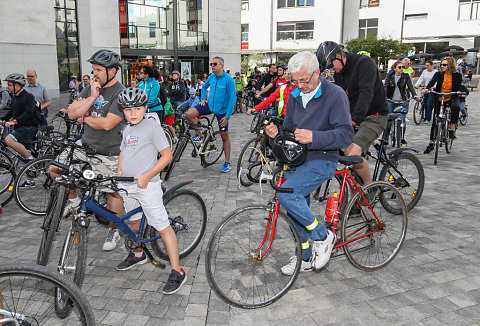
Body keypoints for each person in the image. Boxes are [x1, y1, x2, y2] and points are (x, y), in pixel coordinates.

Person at [264, 51, 354, 275]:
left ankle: (323, 236)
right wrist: (276, 133)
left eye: (303, 80)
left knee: (286, 194)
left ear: (318, 73)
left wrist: (315, 137)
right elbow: (291, 128)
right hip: (298, 159)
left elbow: (345, 135)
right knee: (296, 210)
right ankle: (303, 257)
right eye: (294, 80)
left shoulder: (335, 94)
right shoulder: (295, 96)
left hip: (322, 159)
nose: (299, 85)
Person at [114, 87, 186, 294]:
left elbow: (166, 156)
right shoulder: (127, 129)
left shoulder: (152, 128)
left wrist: (147, 175)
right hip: (127, 185)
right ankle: (138, 254)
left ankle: (177, 270)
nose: (133, 113)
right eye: (128, 110)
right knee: (134, 221)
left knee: (162, 226)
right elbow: (123, 152)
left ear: (145, 107)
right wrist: (118, 174)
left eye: (137, 108)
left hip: (147, 186)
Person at [64, 49, 126, 251]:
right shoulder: (90, 88)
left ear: (113, 71)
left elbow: (108, 124)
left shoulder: (121, 93)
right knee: (56, 169)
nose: (94, 74)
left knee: (111, 194)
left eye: (98, 70)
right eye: (93, 70)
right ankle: (74, 199)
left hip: (109, 151)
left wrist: (85, 117)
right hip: (85, 145)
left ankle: (114, 229)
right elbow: (72, 112)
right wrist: (91, 98)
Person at [317, 41, 388, 186]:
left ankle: (368, 187)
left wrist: (353, 121)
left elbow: (365, 94)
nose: (332, 70)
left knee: (352, 153)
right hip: (355, 116)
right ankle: (355, 188)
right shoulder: (340, 72)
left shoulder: (364, 64)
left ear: (339, 55)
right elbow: (341, 97)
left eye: (331, 66)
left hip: (375, 116)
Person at [185, 56, 236, 173]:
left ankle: (227, 162)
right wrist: (202, 99)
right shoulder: (212, 76)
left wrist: (227, 116)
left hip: (222, 111)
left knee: (224, 136)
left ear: (221, 66)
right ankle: (200, 135)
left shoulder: (228, 79)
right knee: (189, 114)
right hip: (209, 105)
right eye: (211, 64)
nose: (212, 66)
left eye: (215, 64)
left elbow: (232, 99)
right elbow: (203, 88)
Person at [422, 56, 463, 153]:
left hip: (451, 97)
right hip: (440, 97)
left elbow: (457, 88)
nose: (442, 66)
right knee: (435, 121)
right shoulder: (438, 74)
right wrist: (427, 88)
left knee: (456, 107)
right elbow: (432, 82)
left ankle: (452, 128)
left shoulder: (457, 76)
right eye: (441, 64)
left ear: (450, 65)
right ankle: (431, 143)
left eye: (444, 65)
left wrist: (454, 93)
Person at [1, 74, 39, 164]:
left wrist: (14, 122)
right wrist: (2, 119)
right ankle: (29, 175)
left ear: (17, 85)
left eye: (9, 85)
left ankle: (32, 160)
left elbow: (28, 113)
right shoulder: (15, 97)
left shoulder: (28, 96)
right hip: (20, 128)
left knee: (8, 140)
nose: (7, 87)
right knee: (25, 154)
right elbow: (12, 111)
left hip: (29, 127)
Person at [384, 61, 420, 146]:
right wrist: (383, 98)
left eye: (403, 67)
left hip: (402, 101)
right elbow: (386, 88)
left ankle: (402, 139)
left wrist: (415, 95)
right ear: (394, 68)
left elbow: (410, 86)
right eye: (399, 67)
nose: (401, 69)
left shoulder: (406, 76)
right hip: (391, 101)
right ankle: (385, 140)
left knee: (403, 120)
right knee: (388, 121)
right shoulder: (389, 76)